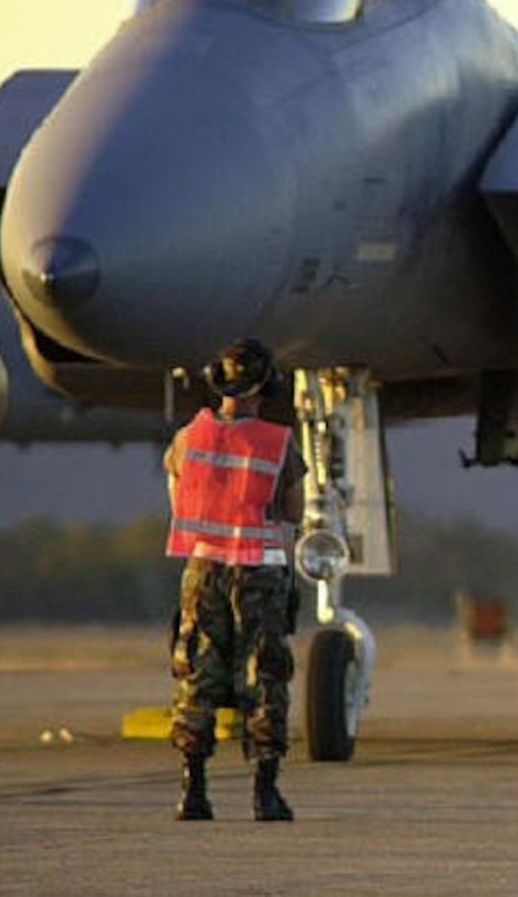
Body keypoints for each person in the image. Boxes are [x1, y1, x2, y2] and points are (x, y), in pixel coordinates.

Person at [164, 338, 307, 820]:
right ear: (267, 385)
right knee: (264, 675)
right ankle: (265, 794)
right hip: (260, 568)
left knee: (197, 672)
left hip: (201, 568)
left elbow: (177, 497)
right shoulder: (277, 443)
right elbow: (293, 511)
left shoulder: (188, 438)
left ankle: (193, 791)